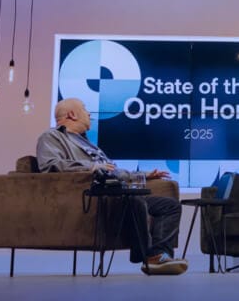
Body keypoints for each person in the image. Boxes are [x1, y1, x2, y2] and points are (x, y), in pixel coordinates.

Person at [36, 98, 188, 276]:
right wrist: (91, 167)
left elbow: (112, 171)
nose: (90, 114)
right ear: (72, 114)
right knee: (135, 200)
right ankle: (150, 257)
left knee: (170, 206)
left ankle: (161, 255)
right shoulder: (51, 137)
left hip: (117, 193)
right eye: (85, 109)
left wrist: (143, 175)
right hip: (95, 197)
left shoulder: (87, 143)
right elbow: (50, 165)